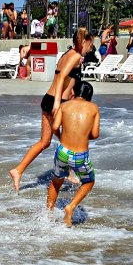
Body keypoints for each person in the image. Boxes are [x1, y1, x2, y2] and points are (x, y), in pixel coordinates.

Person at [9, 27, 94, 193]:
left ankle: (18, 170)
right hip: (58, 102)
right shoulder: (76, 56)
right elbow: (62, 77)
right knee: (68, 141)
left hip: (48, 99)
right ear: (83, 42)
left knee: (46, 142)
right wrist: (58, 103)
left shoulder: (66, 54)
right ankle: (71, 172)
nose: (90, 49)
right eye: (90, 45)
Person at [47, 81, 100, 227]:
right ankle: (71, 206)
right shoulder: (94, 108)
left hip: (62, 152)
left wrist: (63, 136)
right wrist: (82, 135)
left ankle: (48, 214)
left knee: (56, 181)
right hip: (80, 156)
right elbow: (95, 134)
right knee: (89, 181)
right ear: (89, 96)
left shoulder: (64, 106)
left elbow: (55, 126)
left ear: (73, 93)